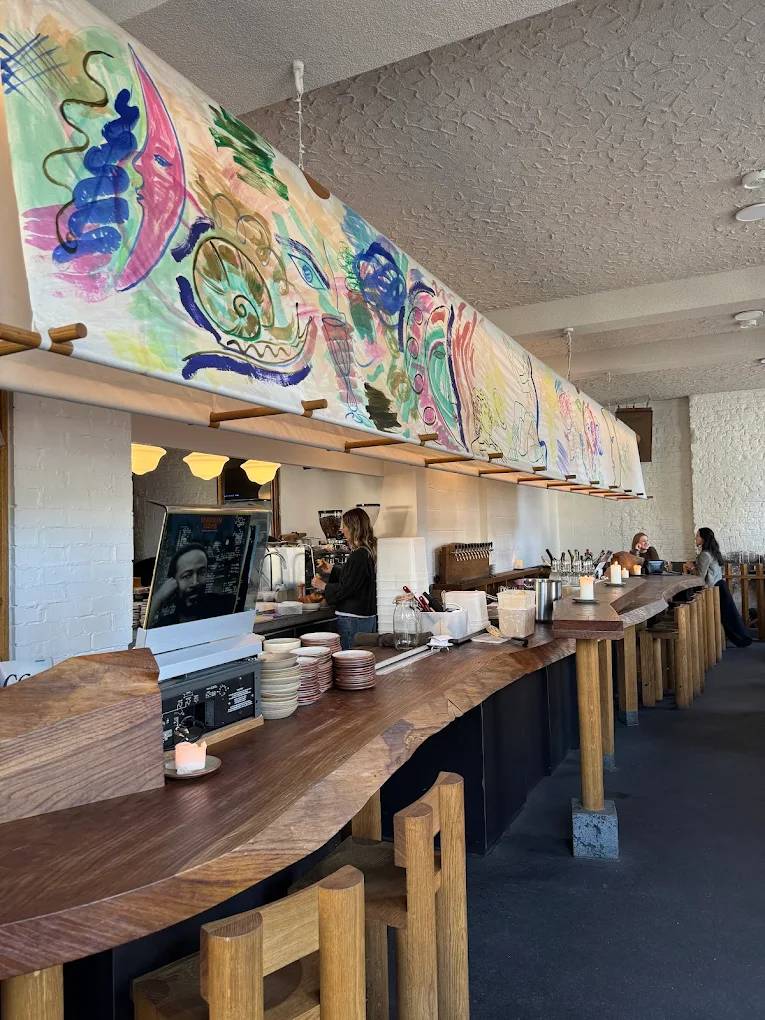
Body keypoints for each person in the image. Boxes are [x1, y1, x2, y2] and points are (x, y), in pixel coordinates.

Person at [312, 507, 377, 650]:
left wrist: (323, 585)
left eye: (345, 526)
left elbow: (347, 589)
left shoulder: (358, 555)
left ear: (353, 528)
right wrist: (332, 569)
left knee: (350, 663)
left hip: (352, 619)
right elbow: (355, 579)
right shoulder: (367, 552)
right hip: (365, 617)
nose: (342, 529)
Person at [687, 527, 751, 648]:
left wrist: (691, 567)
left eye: (697, 536)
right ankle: (741, 638)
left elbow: (700, 577)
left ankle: (740, 640)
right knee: (730, 615)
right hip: (720, 585)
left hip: (713, 588)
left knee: (727, 616)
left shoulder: (705, 554)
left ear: (703, 538)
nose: (695, 538)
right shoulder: (712, 552)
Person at [148, 543, 228, 627]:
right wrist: (158, 598)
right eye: (187, 575)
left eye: (201, 572)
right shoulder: (166, 625)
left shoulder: (222, 604)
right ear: (172, 582)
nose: (195, 582)